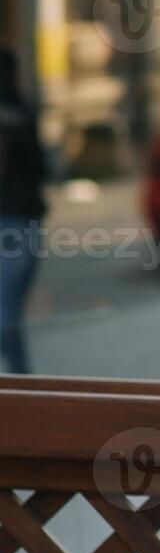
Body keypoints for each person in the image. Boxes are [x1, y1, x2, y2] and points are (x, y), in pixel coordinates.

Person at [0, 47, 47, 374]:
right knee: (6, 315)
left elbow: (38, 167)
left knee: (5, 315)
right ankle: (21, 384)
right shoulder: (22, 113)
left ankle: (22, 386)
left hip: (16, 222)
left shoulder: (19, 115)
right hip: (19, 221)